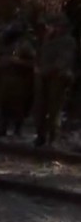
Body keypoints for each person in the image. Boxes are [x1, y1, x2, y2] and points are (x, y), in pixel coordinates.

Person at [34, 14, 78, 147]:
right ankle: (41, 136)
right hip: (44, 78)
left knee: (54, 110)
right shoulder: (48, 40)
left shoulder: (68, 41)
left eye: (56, 26)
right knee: (40, 108)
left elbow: (62, 62)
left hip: (58, 79)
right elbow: (40, 56)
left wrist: (44, 70)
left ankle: (53, 139)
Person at [0, 25, 35, 137]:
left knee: (17, 106)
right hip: (5, 77)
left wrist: (17, 61)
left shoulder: (25, 46)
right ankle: (2, 129)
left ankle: (17, 130)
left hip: (19, 79)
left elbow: (33, 63)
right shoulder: (5, 45)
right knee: (3, 104)